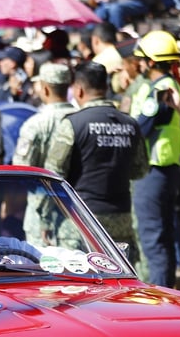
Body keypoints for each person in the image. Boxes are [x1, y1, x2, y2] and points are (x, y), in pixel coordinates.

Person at [44, 62, 148, 265]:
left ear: (79, 90)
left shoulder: (73, 123)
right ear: (106, 89)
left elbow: (52, 174)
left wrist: (46, 217)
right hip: (121, 217)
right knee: (119, 282)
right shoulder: (130, 124)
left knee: (78, 283)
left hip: (80, 220)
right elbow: (141, 170)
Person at [129, 31, 180, 287]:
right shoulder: (173, 86)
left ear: (152, 62)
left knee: (153, 240)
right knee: (163, 237)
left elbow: (140, 128)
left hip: (153, 172)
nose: (140, 64)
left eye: (142, 59)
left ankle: (161, 298)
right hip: (167, 170)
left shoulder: (159, 90)